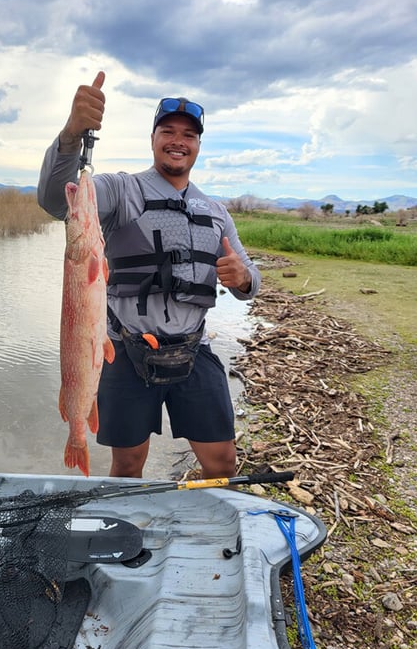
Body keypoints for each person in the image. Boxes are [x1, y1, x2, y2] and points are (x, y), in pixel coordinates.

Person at [38, 71, 261, 479]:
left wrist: (244, 278)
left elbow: (251, 282)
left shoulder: (216, 212)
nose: (178, 141)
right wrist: (72, 135)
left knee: (222, 461)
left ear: (197, 146)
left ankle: (206, 536)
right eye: (168, 131)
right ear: (154, 138)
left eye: (189, 135)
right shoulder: (122, 190)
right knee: (126, 463)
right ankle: (125, 533)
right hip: (126, 351)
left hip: (193, 350)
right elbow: (56, 200)